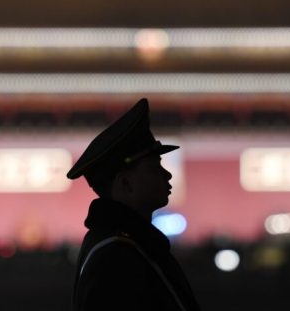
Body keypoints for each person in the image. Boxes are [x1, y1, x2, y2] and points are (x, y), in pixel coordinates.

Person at [67, 98, 201, 311]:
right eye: (155, 167)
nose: (167, 175)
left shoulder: (124, 244)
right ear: (126, 183)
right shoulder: (115, 257)